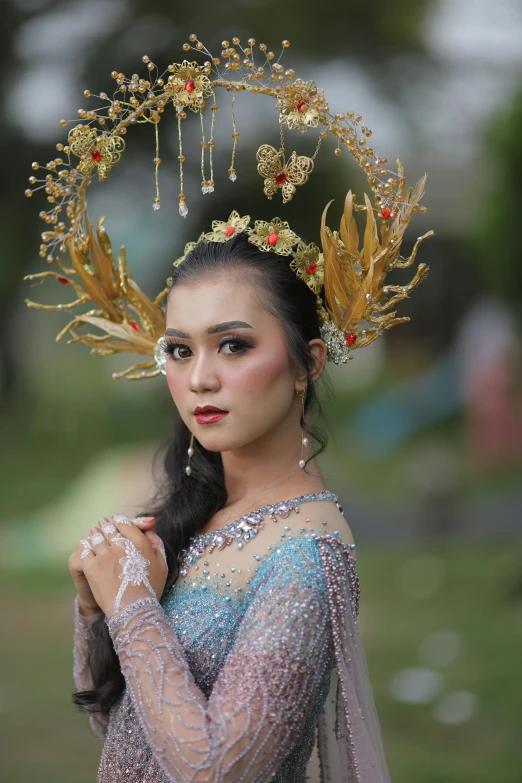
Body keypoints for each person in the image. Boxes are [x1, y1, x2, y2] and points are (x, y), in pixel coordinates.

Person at [26, 34, 433, 782]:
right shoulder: (196, 513)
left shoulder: (306, 557)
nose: (200, 378)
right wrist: (96, 608)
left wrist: (131, 600)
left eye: (235, 346)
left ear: (308, 362)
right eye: (179, 350)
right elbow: (125, 733)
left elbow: (216, 771)